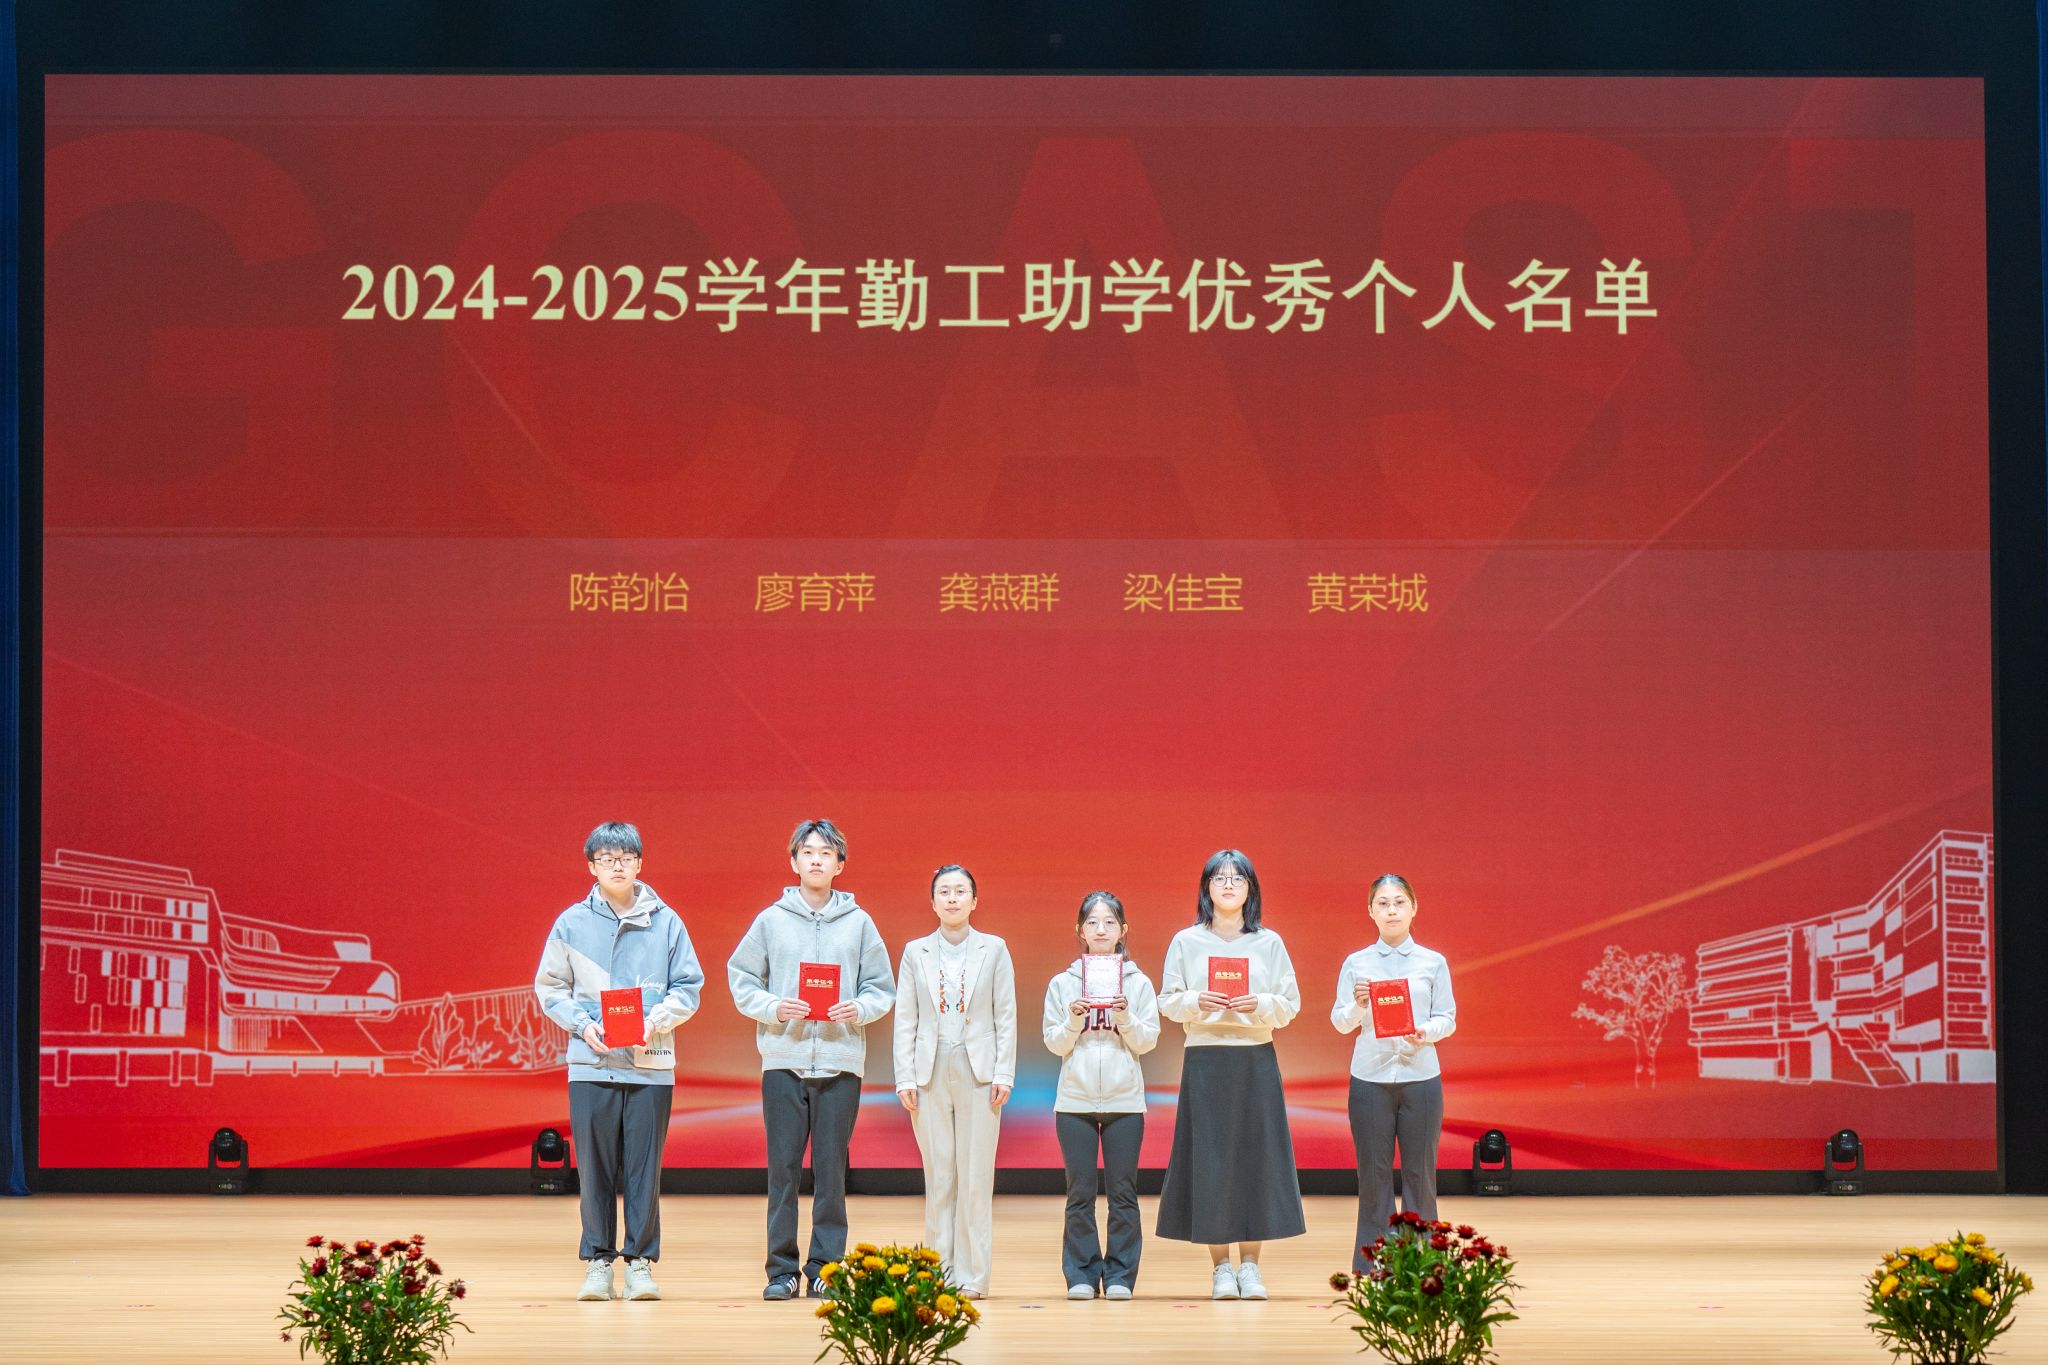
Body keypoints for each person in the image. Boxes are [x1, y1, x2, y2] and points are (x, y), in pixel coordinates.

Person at [534, 821, 704, 1303]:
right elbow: (551, 988)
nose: (617, 866)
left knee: (644, 1171)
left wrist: (656, 1020)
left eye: (626, 858)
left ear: (639, 864)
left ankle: (640, 1265)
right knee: (595, 1169)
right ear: (591, 866)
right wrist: (582, 1026)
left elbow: (688, 987)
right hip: (591, 1063)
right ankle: (598, 1263)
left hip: (651, 1063)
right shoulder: (570, 923)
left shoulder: (667, 922)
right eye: (607, 859)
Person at [727, 819, 896, 1301]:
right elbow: (741, 977)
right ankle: (781, 1270)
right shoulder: (770, 920)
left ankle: (825, 1267)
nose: (817, 859)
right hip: (784, 1060)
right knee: (782, 1171)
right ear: (794, 861)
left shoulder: (859, 923)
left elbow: (882, 987)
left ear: (840, 864)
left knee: (831, 1172)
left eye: (826, 853)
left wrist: (859, 1008)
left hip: (840, 1063)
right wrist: (773, 1007)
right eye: (808, 852)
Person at [1156, 849, 1305, 1300]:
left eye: (1237, 878)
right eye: (1218, 878)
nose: (1227, 885)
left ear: (1249, 889)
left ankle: (1251, 1267)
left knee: (1255, 1160)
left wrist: (1260, 1003)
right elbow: (1167, 1000)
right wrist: (1195, 1001)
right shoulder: (1186, 941)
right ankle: (1221, 1268)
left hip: (1255, 1058)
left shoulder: (1269, 942)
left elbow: (1290, 1003)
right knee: (1212, 1162)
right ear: (1206, 888)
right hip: (1206, 1059)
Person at [892, 864, 1018, 1299]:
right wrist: (904, 1076)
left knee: (976, 1178)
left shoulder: (994, 949)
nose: (951, 898)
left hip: (979, 1070)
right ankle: (937, 1274)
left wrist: (1004, 1072)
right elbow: (905, 1018)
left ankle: (973, 1277)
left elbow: (1006, 1015)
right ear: (932, 902)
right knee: (939, 1177)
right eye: (943, 891)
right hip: (929, 1070)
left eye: (960, 891)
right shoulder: (915, 952)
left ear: (974, 901)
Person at [1332, 873, 1457, 1273]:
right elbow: (1340, 1022)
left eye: (1399, 902)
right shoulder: (1357, 963)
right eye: (1383, 903)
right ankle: (1377, 1264)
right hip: (1370, 1079)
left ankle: (1424, 1263)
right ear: (1370, 911)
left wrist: (1426, 1031)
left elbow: (1447, 1018)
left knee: (1420, 1175)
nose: (1391, 910)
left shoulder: (1433, 962)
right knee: (1373, 1175)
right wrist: (1358, 1006)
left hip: (1421, 1078)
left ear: (1414, 908)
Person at [1042, 890, 1160, 1301]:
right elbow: (1054, 1043)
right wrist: (1073, 1021)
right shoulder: (1063, 983)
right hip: (1074, 1101)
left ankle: (1121, 1276)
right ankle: (1081, 1274)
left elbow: (1146, 1042)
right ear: (1080, 930)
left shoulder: (1138, 983)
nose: (1101, 930)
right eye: (1092, 922)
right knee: (1079, 1193)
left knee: (1123, 1193)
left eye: (1109, 922)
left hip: (1124, 1101)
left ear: (1123, 930)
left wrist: (1124, 1016)